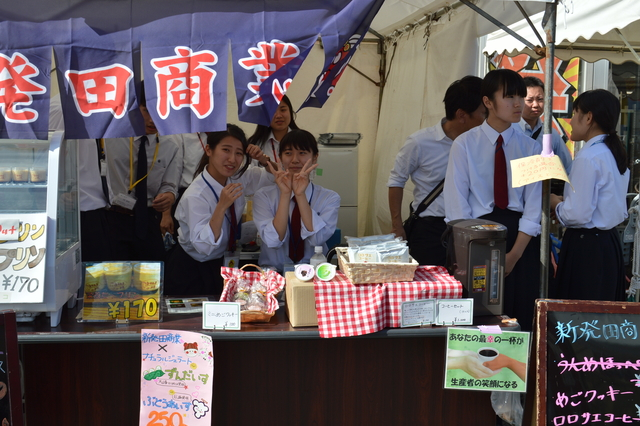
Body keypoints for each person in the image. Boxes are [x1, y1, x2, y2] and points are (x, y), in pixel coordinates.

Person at [444, 69, 542, 332]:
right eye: (509, 97)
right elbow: (457, 207)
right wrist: (473, 253)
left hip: (520, 240)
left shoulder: (530, 148)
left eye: (520, 96)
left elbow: (533, 208)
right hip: (476, 238)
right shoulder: (465, 145)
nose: (518, 103)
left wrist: (513, 256)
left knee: (520, 318)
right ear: (487, 101)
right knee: (479, 319)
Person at [387, 76, 485, 266]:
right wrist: (397, 225)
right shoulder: (420, 142)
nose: (487, 120)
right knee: (430, 282)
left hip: (471, 228)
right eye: (483, 113)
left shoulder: (483, 143)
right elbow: (396, 180)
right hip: (430, 231)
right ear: (462, 115)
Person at [164, 124, 272, 296]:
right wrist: (221, 206)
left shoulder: (236, 178)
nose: (232, 159)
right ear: (209, 150)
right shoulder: (196, 195)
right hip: (192, 270)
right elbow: (204, 246)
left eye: (239, 153)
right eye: (226, 150)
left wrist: (264, 161)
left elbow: (272, 179)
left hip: (222, 264)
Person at [550, 89, 629, 302]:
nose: (571, 121)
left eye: (575, 113)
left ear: (588, 117)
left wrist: (555, 203)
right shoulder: (613, 152)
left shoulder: (588, 156)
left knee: (581, 312)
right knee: (603, 312)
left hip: (587, 248)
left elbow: (577, 214)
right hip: (608, 243)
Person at [103, 88, 183, 262]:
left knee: (151, 271)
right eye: (146, 111)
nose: (152, 120)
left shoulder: (171, 144)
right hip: (114, 217)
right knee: (115, 272)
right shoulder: (112, 135)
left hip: (148, 219)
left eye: (159, 111)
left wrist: (169, 195)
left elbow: (170, 184)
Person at [253, 129, 340, 272]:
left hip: (314, 273)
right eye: (288, 153)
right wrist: (285, 194)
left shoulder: (329, 198)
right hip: (273, 274)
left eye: (302, 153)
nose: (295, 160)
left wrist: (300, 195)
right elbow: (272, 241)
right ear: (280, 158)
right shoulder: (263, 196)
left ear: (315, 157)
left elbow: (317, 240)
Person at [518, 76, 573, 175]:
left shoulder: (551, 134)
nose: (535, 105)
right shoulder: (509, 130)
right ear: (519, 101)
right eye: (530, 100)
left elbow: (568, 168)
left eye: (540, 99)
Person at [247, 95, 299, 166]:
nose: (278, 116)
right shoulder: (255, 144)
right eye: (272, 111)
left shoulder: (304, 140)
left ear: (290, 111)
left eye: (283, 110)